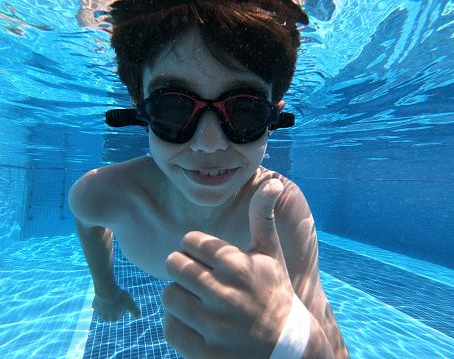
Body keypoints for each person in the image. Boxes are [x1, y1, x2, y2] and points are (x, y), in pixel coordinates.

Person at [69, 0, 350, 358]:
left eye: (245, 109)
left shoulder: (280, 208)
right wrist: (105, 289)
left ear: (272, 118)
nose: (208, 144)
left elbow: (325, 329)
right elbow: (88, 223)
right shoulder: (102, 193)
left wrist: (291, 344)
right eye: (172, 106)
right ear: (141, 110)